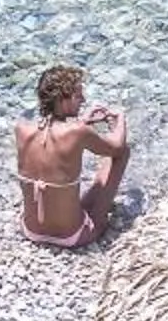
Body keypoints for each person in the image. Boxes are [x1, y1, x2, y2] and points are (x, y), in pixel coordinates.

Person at [15, 63, 130, 250]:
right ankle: (96, 209)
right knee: (123, 153)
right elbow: (117, 147)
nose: (83, 99)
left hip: (31, 231)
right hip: (71, 236)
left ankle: (81, 206)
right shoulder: (78, 132)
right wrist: (120, 119)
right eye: (78, 95)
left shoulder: (21, 130)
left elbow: (53, 141)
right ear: (62, 99)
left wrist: (82, 122)